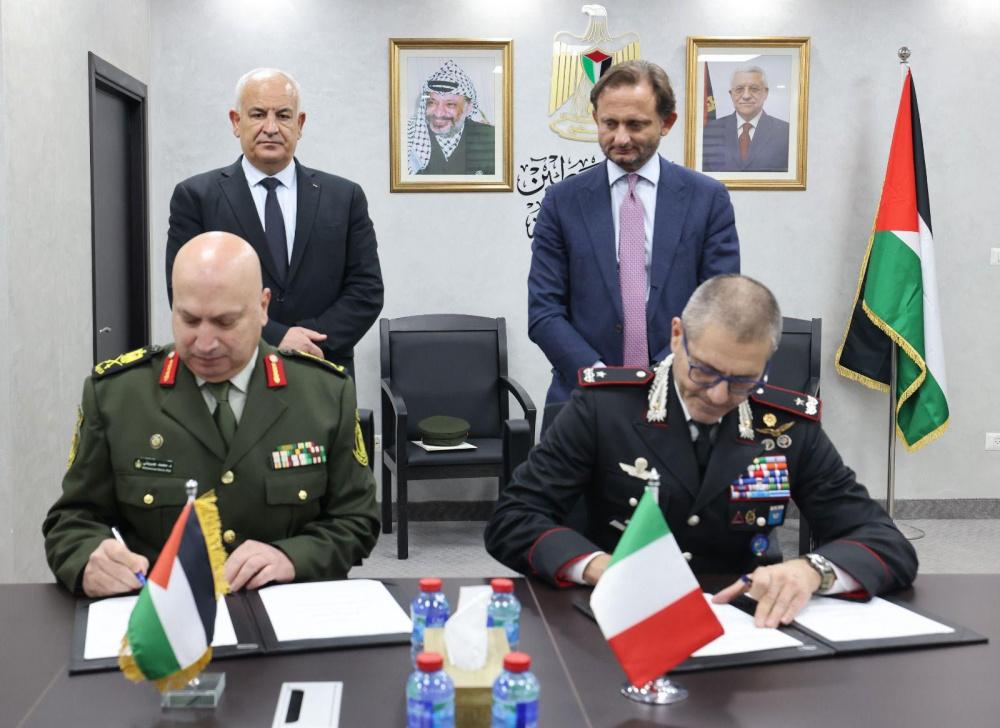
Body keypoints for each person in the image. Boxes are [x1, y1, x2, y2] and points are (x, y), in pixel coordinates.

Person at [486, 275, 917, 627]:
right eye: (704, 371)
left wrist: (811, 571)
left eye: (743, 380)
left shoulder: (786, 428)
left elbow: (886, 544)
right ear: (677, 336)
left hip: (745, 623)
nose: (718, 395)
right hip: (619, 617)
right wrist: (599, 566)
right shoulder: (604, 409)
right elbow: (514, 518)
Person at [44, 232, 380, 598]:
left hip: (282, 611)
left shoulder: (324, 394)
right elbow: (72, 521)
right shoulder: (117, 396)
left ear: (263, 307)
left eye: (225, 322)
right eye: (189, 320)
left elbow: (356, 520)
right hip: (161, 617)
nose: (205, 343)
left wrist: (292, 557)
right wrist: (88, 559)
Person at [527, 59, 740, 417]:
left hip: (680, 397)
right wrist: (597, 375)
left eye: (636, 124)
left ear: (667, 122)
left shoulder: (707, 199)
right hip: (582, 399)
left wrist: (661, 375)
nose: (620, 138)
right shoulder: (562, 201)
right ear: (596, 119)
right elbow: (544, 311)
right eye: (609, 123)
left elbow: (719, 308)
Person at [165, 68, 383, 376]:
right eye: (257, 114)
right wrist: (278, 337)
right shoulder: (196, 197)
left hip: (323, 369)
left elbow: (366, 290)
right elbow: (185, 291)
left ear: (300, 124)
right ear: (236, 121)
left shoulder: (345, 197)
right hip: (234, 371)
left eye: (283, 115)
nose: (270, 127)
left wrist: (307, 340)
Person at [407, 59, 496, 176]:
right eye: (432, 102)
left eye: (450, 104)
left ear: (468, 108)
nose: (438, 113)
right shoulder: (410, 136)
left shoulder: (491, 138)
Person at [703, 66, 790, 173]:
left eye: (754, 89)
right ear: (731, 94)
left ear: (765, 93)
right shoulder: (710, 130)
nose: (746, 96)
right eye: (739, 89)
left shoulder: (786, 132)